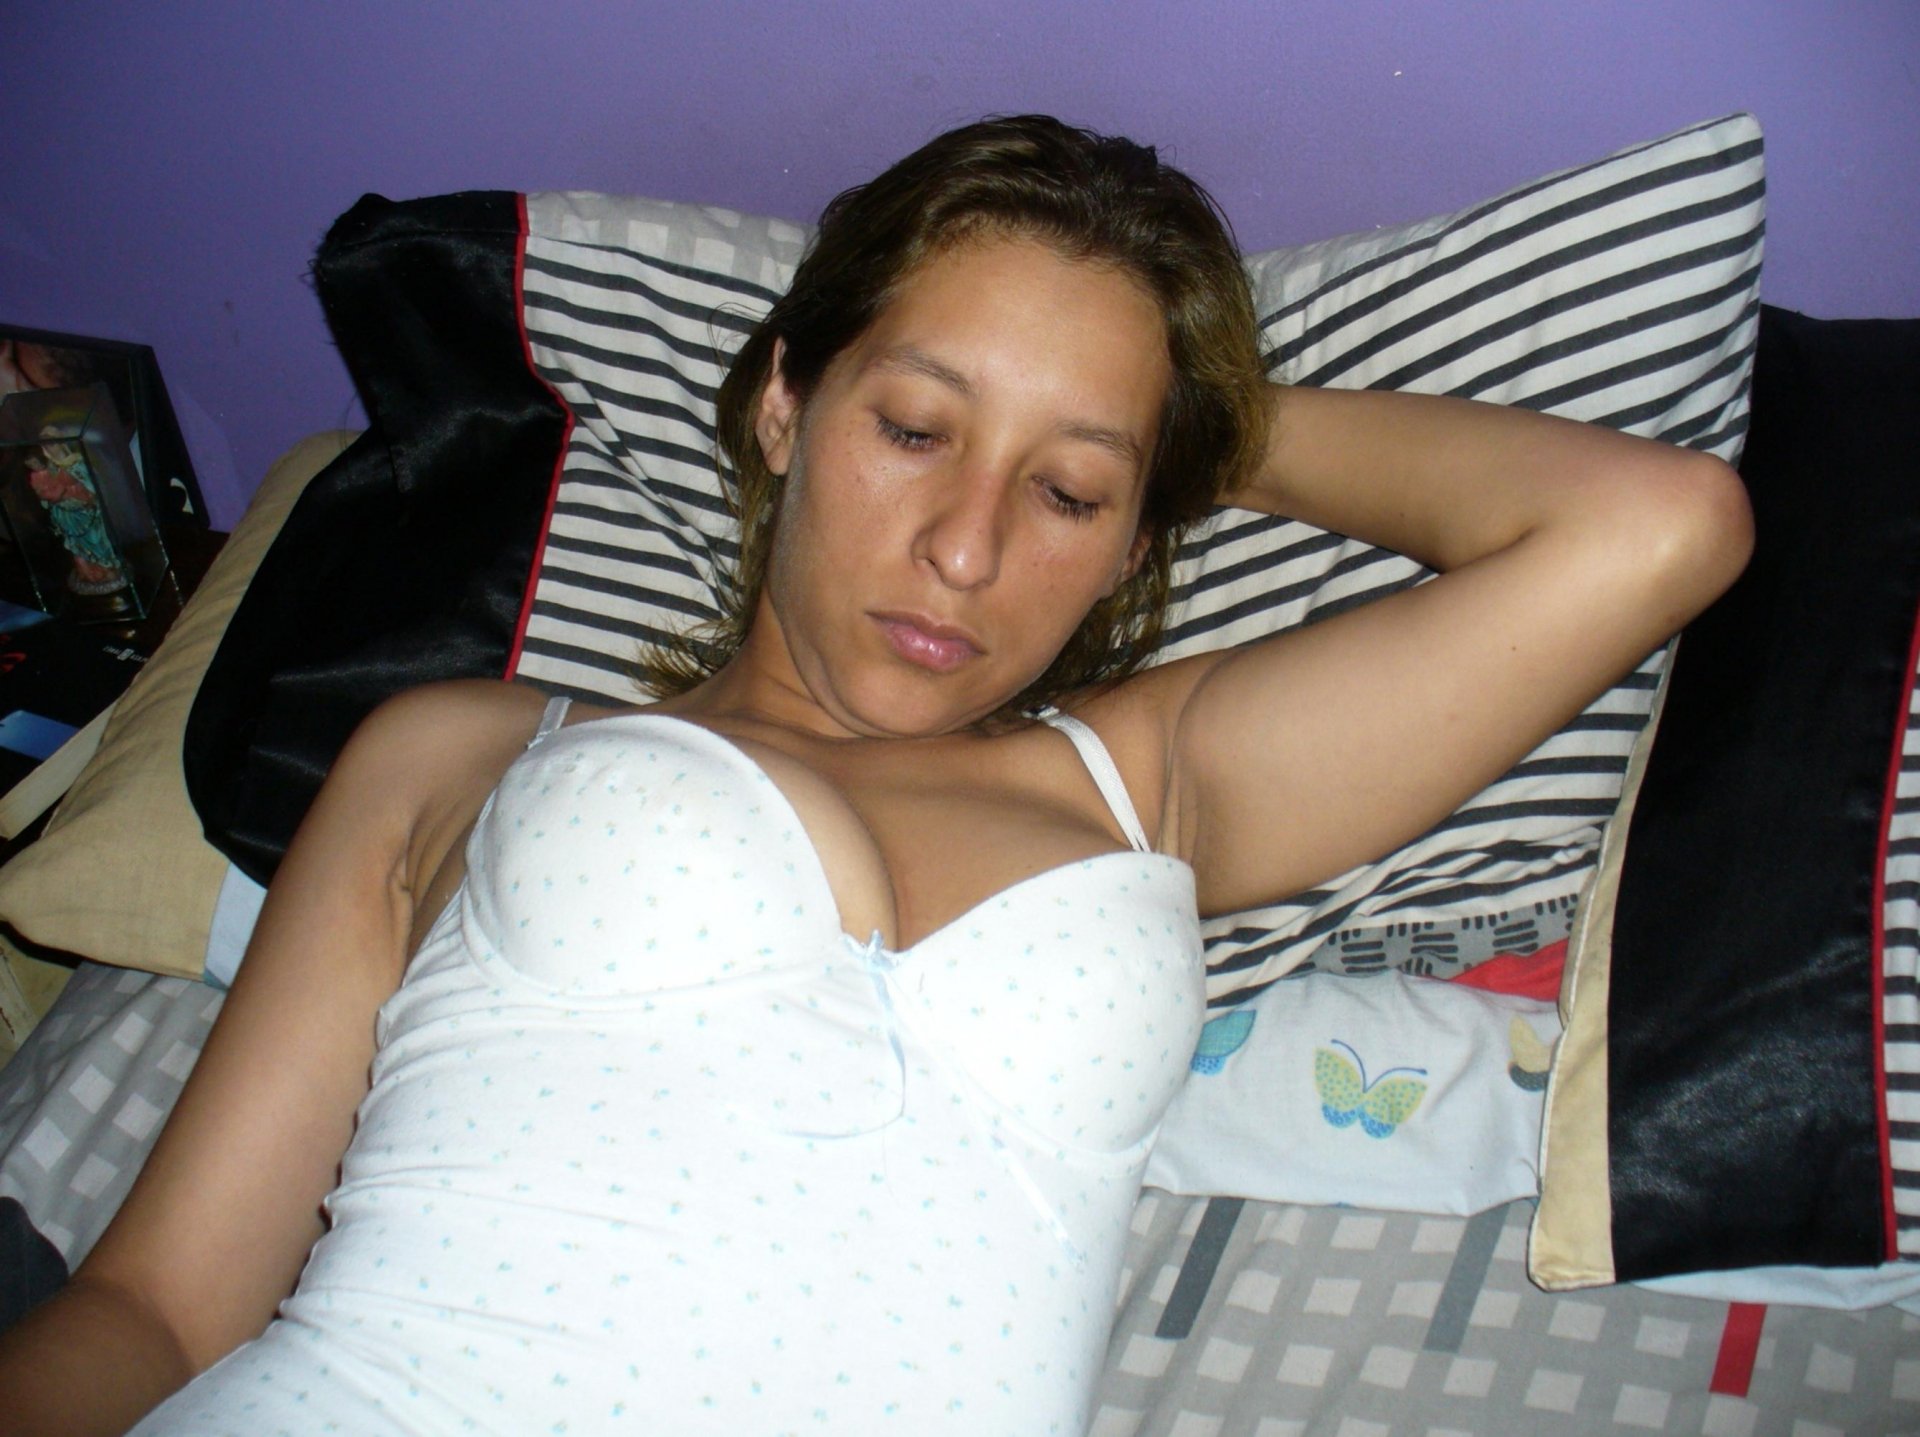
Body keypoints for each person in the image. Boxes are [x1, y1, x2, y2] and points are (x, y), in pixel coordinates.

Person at [0, 116, 1752, 1435]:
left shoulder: (1143, 782)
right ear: (784, 406)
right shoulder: (463, 745)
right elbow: (160, 1310)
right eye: (913, 427)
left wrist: (1189, 421)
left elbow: (1656, 526)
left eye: (1068, 491)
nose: (966, 548)